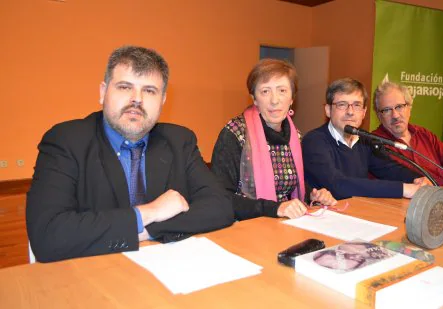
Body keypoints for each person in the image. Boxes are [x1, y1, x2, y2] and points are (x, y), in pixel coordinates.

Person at [26, 46, 234, 263]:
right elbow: (48, 235)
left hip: (168, 270)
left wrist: (146, 230)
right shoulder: (67, 141)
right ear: (103, 92)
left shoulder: (179, 140)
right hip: (92, 274)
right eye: (125, 87)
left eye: (149, 91)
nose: (137, 99)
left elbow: (220, 206)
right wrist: (151, 212)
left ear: (163, 100)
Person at [210, 59, 336, 220]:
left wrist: (313, 195)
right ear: (254, 99)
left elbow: (288, 185)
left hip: (284, 224)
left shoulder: (295, 136)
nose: (274, 100)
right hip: (243, 226)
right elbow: (220, 198)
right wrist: (275, 208)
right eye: (265, 91)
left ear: (292, 99)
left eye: (282, 90)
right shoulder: (235, 132)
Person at [302, 78, 429, 200]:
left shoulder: (364, 140)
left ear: (364, 112)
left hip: (358, 212)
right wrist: (404, 189)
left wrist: (417, 179)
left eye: (357, 105)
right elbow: (337, 184)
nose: (350, 112)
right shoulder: (314, 141)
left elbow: (389, 168)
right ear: (328, 110)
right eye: (342, 105)